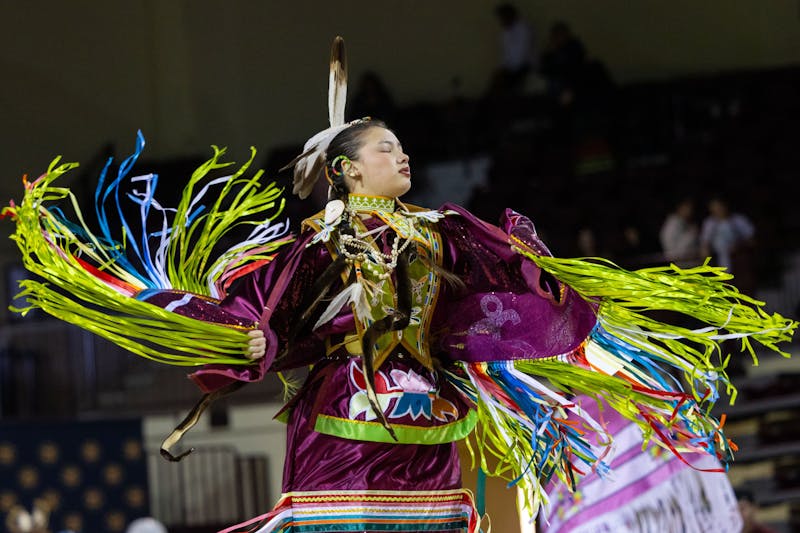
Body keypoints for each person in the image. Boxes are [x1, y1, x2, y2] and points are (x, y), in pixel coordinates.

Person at [5, 38, 796, 533]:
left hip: (431, 427)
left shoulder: (443, 228)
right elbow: (267, 307)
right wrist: (251, 338)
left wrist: (553, 292)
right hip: (346, 427)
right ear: (348, 169)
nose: (401, 157)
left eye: (403, 148)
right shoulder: (317, 239)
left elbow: (510, 288)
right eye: (385, 149)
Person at [660, 198, 700, 265]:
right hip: (682, 264)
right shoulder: (672, 224)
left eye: (691, 208)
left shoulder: (684, 222)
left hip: (692, 263)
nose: (690, 211)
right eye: (687, 207)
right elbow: (672, 252)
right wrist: (692, 234)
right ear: (680, 208)